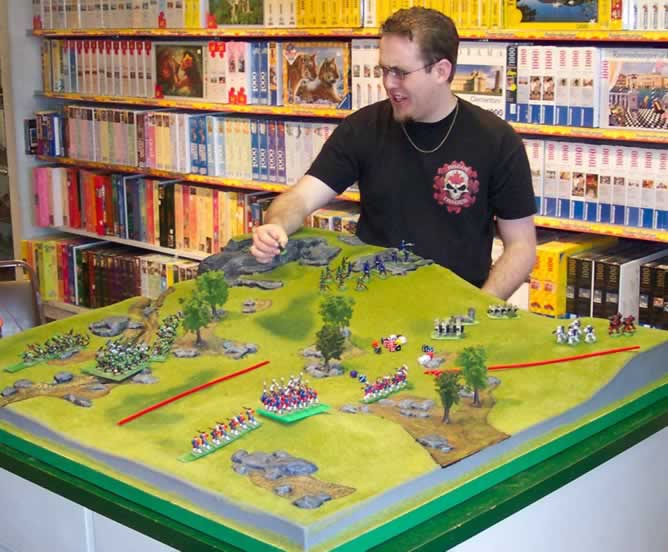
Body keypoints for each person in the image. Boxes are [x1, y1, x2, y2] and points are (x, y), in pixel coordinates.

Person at [250, 7, 536, 300]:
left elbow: (522, 246)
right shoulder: (362, 127)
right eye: (384, 70)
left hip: (458, 303)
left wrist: (482, 305)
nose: (388, 83)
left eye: (400, 72)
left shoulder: (497, 140)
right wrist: (276, 226)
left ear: (441, 71)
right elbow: (300, 198)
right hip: (371, 298)